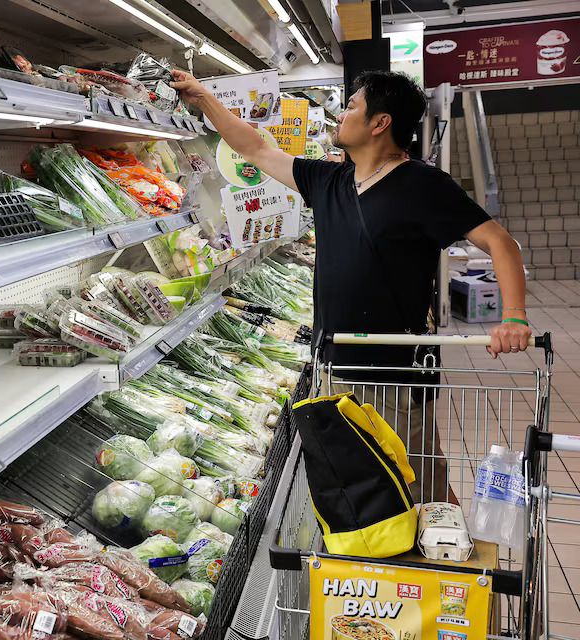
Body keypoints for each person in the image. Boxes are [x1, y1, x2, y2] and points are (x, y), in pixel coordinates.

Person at [171, 69, 532, 504]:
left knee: (416, 483)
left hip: (395, 374)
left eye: (353, 106)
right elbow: (256, 147)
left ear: (380, 123)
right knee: (361, 491)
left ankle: (441, 558)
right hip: (335, 366)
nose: (342, 115)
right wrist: (204, 97)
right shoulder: (329, 181)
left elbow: (500, 242)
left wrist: (513, 316)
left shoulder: (423, 184)